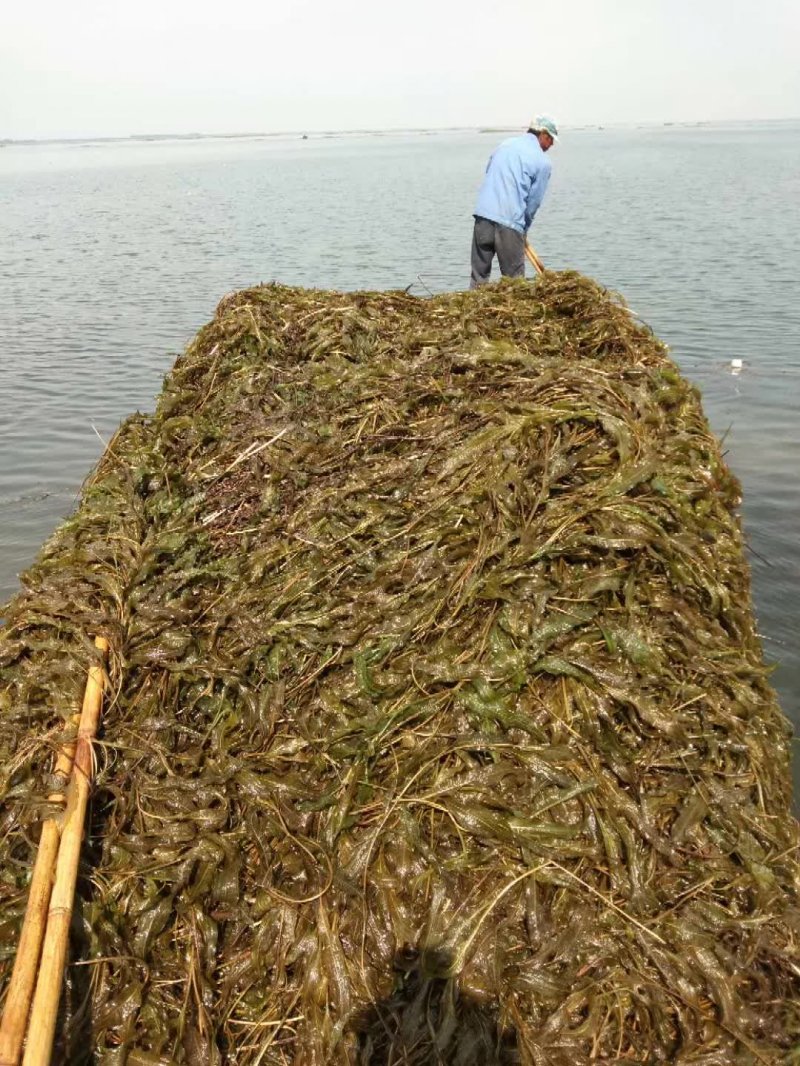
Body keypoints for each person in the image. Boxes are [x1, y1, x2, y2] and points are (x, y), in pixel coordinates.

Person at [470, 115, 558, 288]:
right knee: (515, 285)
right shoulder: (542, 162)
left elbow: (489, 171)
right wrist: (523, 230)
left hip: (483, 217)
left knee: (478, 277)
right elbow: (533, 202)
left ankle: (469, 312)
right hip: (510, 223)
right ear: (543, 135)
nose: (552, 145)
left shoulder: (505, 145)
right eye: (551, 140)